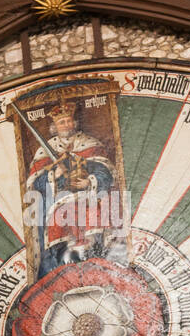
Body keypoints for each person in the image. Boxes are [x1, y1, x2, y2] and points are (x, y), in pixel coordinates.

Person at [25, 99, 122, 275]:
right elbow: (35, 184)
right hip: (58, 200)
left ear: (74, 122)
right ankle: (62, 266)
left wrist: (89, 182)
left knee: (96, 214)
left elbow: (106, 172)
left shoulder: (89, 143)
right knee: (57, 219)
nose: (66, 124)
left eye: (69, 121)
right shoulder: (46, 150)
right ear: (55, 126)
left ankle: (97, 260)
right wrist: (54, 175)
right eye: (61, 122)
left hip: (89, 197)